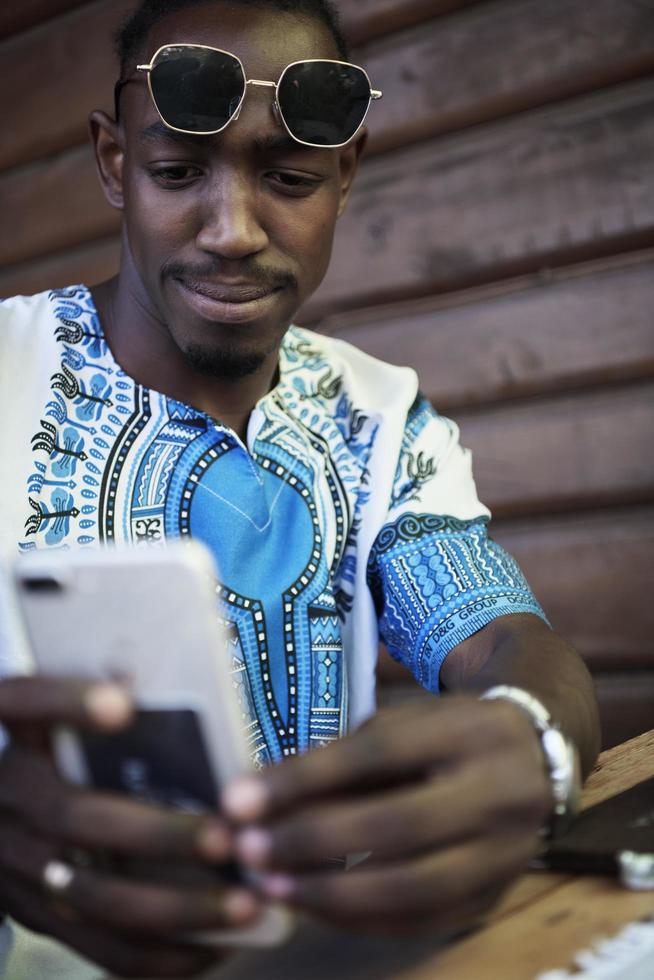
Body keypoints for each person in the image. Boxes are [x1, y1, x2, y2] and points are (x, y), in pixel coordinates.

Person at [0, 0, 600, 976]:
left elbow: (500, 637)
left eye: (287, 178)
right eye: (176, 171)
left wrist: (534, 746)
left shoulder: (377, 414)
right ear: (114, 163)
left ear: (345, 174)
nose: (234, 230)